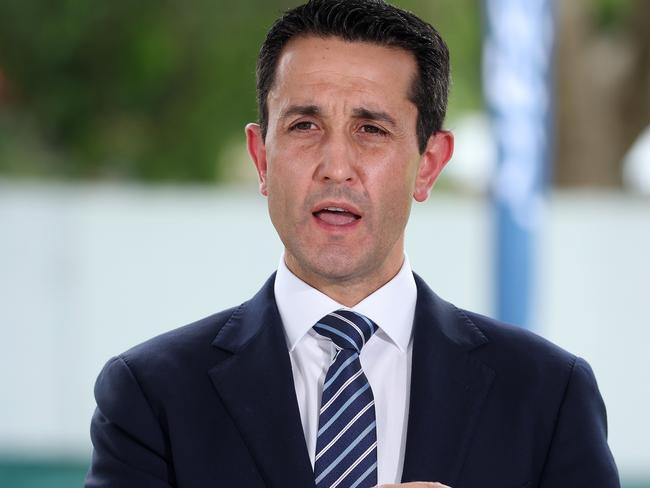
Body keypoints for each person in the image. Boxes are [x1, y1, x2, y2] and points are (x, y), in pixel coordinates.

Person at [85, 1, 619, 487]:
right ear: (261, 157)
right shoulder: (151, 395)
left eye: (371, 129)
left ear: (428, 165)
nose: (336, 167)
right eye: (303, 125)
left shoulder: (548, 395)